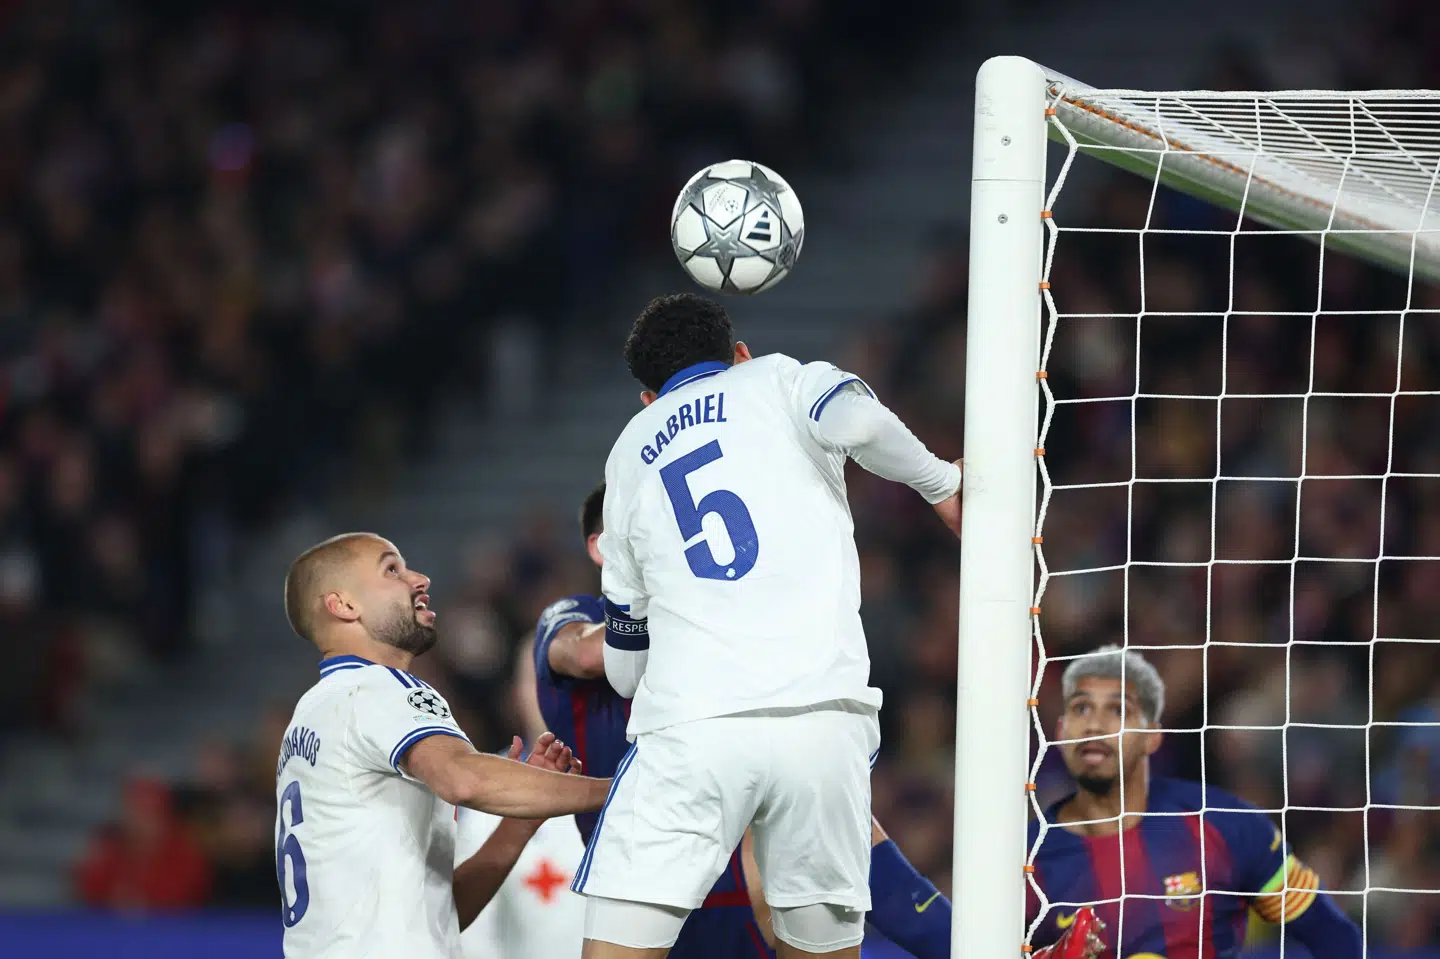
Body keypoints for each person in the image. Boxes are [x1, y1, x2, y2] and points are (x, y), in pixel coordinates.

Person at [540, 484, 1105, 959]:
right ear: (602, 548)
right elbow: (586, 654)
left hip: (750, 887)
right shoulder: (574, 621)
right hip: (663, 901)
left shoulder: (716, 651)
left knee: (829, 808)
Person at [275, 532, 612, 959]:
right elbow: (463, 778)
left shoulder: (312, 716)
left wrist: (519, 825)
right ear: (343, 605)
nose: (419, 579)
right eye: (391, 570)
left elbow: (441, 918)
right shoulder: (379, 687)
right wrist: (618, 791)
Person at [1028, 645, 1363, 959]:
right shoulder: (1023, 859)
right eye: (1081, 708)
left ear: (1152, 736)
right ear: (1060, 730)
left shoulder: (1225, 826)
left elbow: (1332, 935)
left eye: (1118, 710)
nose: (1095, 726)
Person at [456, 642, 588, 959]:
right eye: (539, 679)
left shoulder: (636, 785)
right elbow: (471, 933)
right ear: (515, 694)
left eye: (566, 678)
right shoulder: (480, 794)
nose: (551, 694)